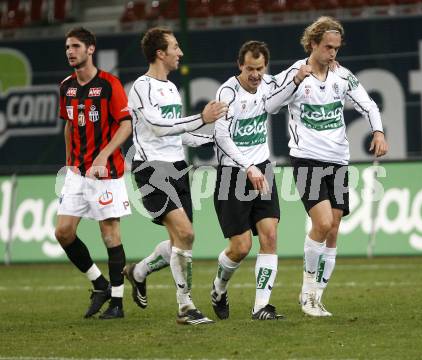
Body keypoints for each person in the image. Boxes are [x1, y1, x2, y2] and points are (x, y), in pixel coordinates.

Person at [265, 16, 388, 317]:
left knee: (333, 231)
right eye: (328, 47)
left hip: (338, 160)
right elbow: (269, 105)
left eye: (336, 48)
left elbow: (369, 105)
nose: (333, 53)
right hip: (306, 158)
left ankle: (318, 296)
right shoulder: (296, 73)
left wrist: (379, 132)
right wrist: (296, 80)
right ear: (313, 44)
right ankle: (307, 293)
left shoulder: (342, 76)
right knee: (321, 224)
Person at [124, 27, 227, 325]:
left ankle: (139, 271)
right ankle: (186, 307)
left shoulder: (171, 88)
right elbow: (157, 127)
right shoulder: (141, 87)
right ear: (160, 53)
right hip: (151, 170)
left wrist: (211, 139)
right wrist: (201, 118)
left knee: (179, 241)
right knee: (186, 234)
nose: (180, 53)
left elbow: (177, 135)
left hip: (178, 167)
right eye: (175, 47)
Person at [55, 27, 132, 319]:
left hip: (107, 172)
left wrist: (103, 154)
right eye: (67, 47)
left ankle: (117, 303)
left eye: (75, 46)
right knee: (63, 232)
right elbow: (69, 124)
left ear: (90, 49)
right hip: (78, 172)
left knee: (109, 233)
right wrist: (68, 161)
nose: (70, 51)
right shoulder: (66, 87)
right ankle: (99, 283)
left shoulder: (110, 85)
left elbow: (126, 124)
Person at [210, 41, 285, 321]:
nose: (255, 74)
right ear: (240, 65)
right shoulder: (227, 92)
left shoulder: (268, 84)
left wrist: (323, 64)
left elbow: (294, 76)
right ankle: (218, 289)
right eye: (250, 68)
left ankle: (261, 306)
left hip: (262, 168)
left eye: (260, 68)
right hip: (233, 173)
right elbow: (221, 135)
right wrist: (247, 166)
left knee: (270, 235)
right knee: (241, 247)